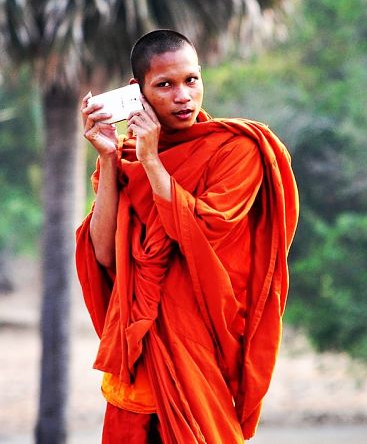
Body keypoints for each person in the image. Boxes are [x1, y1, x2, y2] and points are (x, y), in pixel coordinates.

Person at [75, 29, 299, 443]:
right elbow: (103, 253)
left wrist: (151, 163)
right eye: (165, 84)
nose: (183, 96)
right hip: (140, 359)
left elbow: (203, 230)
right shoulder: (122, 156)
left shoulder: (234, 149)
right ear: (136, 91)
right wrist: (109, 158)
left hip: (199, 348)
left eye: (191, 80)